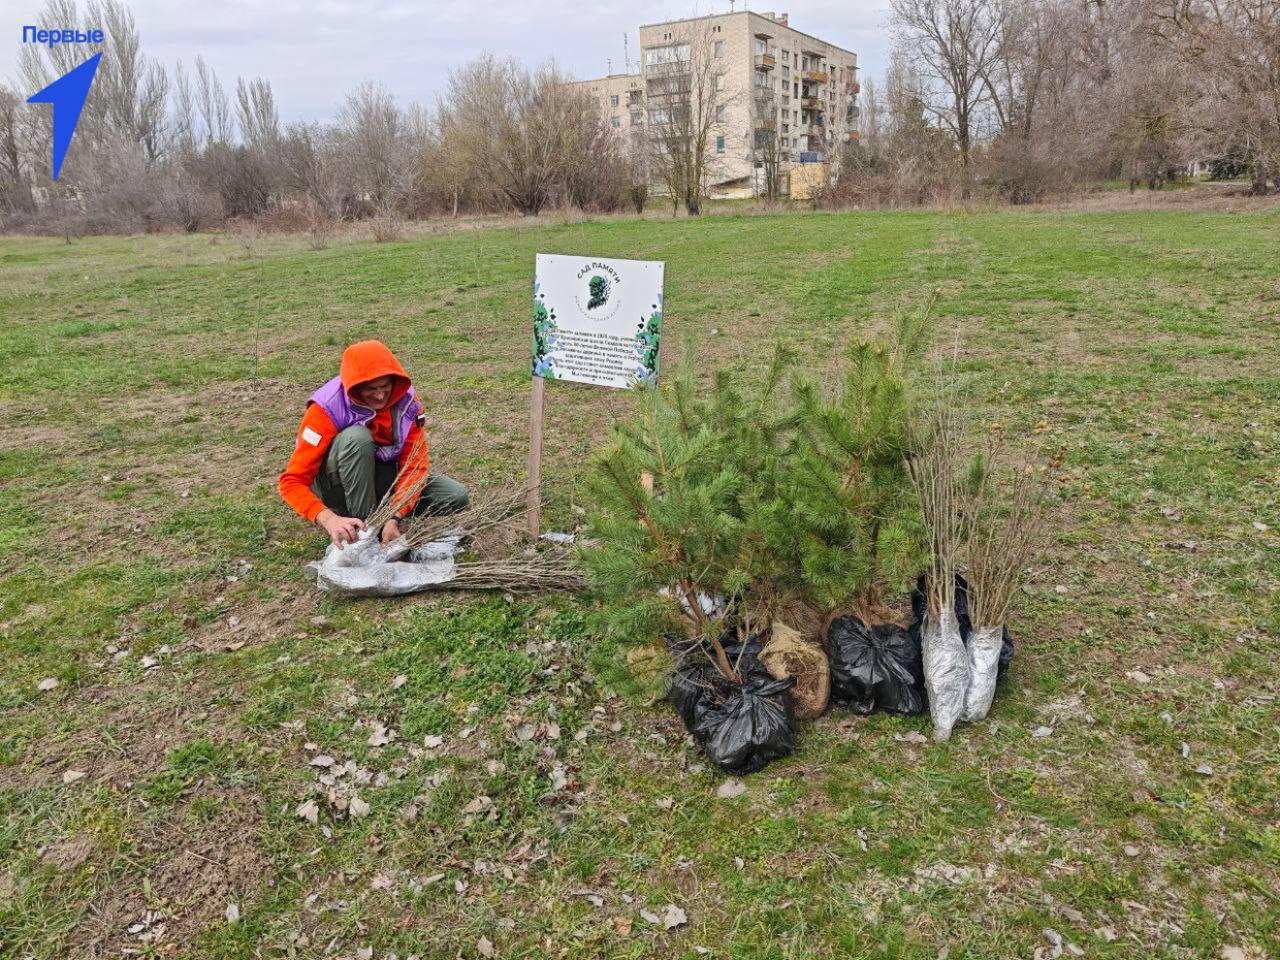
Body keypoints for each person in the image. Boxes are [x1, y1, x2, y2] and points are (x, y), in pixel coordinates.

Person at [278, 340, 468, 547]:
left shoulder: (407, 404)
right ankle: (365, 533)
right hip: (334, 487)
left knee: (454, 495)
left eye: (385, 387)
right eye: (371, 389)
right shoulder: (326, 408)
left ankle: (380, 517)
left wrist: (395, 515)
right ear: (355, 387)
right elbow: (292, 482)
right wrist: (328, 518)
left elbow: (414, 467)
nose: (379, 395)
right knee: (357, 438)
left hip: (378, 476)